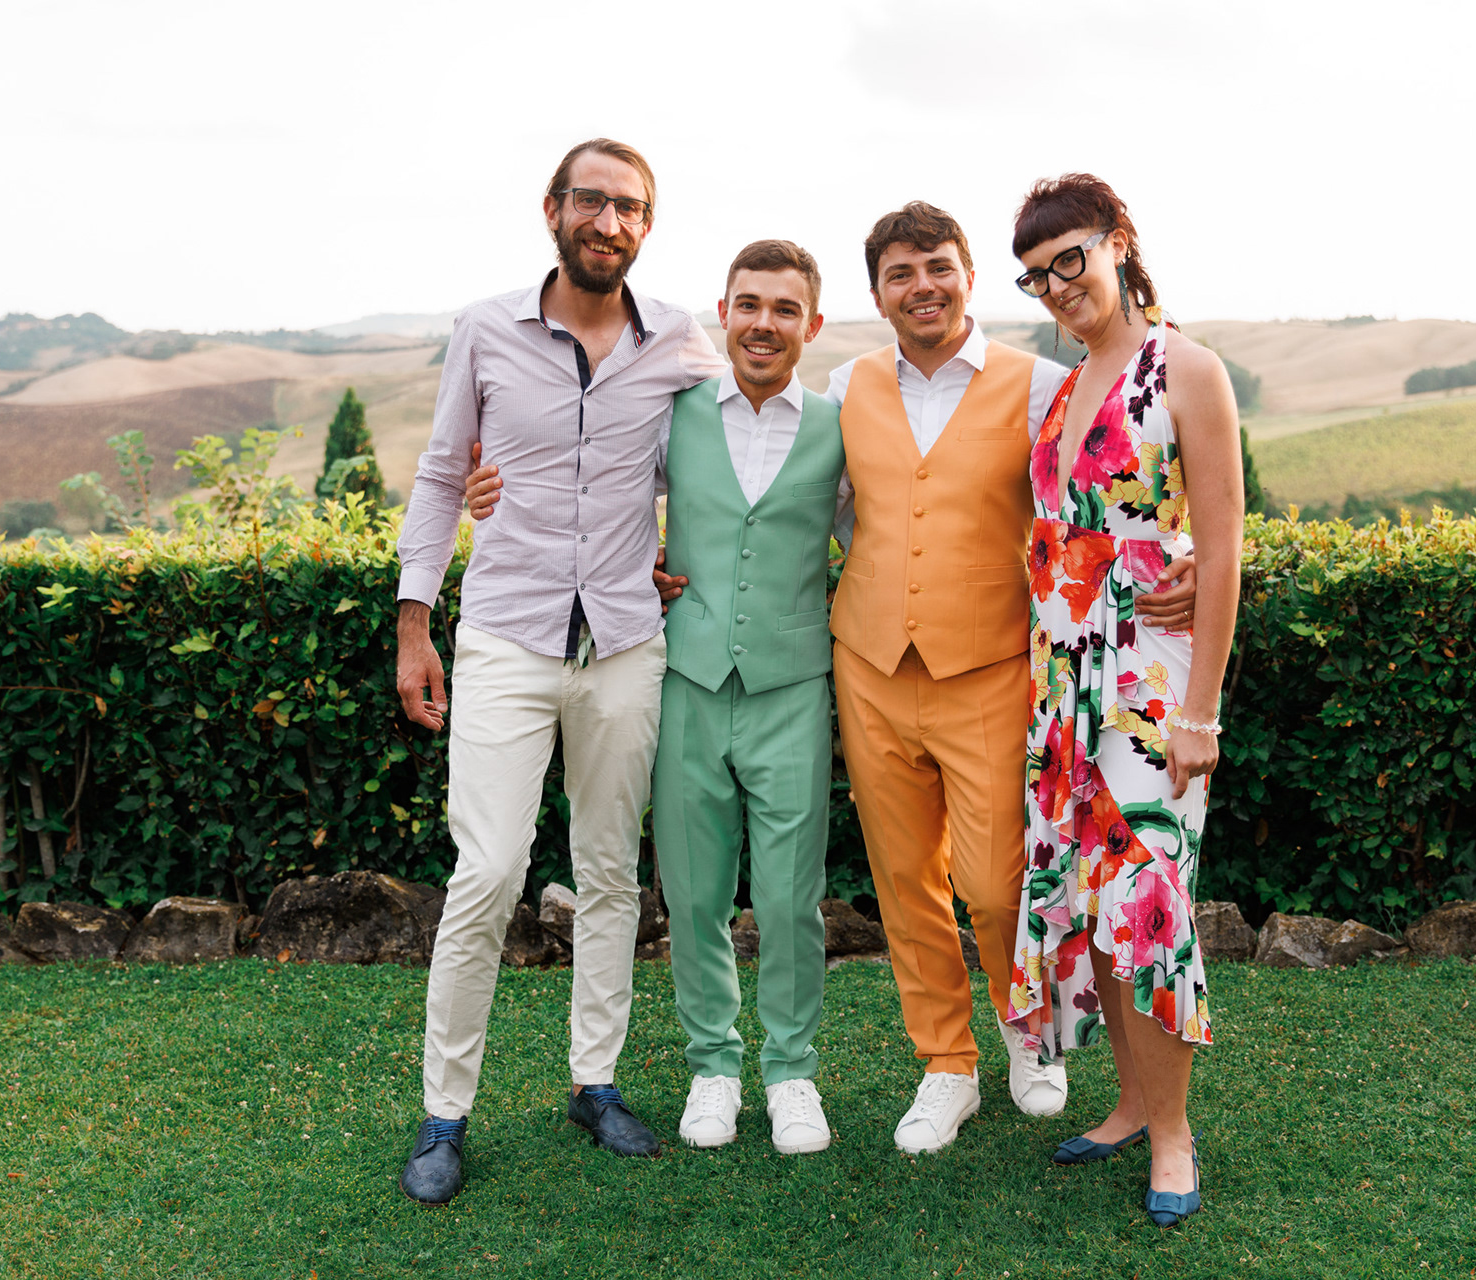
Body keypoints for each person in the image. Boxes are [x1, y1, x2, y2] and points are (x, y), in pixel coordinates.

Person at [822, 202, 1197, 1155]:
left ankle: (1027, 1034)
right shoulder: (843, 388)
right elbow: (798, 507)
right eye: (901, 274)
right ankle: (946, 1066)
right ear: (878, 294)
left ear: (969, 275)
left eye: (938, 267)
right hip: (869, 664)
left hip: (992, 666)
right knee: (905, 882)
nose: (922, 287)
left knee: (999, 886)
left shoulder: (1041, 386)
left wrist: (1187, 558)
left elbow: (1115, 488)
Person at [392, 137, 721, 1206]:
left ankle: (596, 1081)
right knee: (488, 872)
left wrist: (683, 554)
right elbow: (441, 474)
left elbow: (730, 453)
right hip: (505, 636)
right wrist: (413, 624)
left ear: (646, 225)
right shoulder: (485, 328)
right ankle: (445, 1112)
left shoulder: (678, 338)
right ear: (553, 209)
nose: (608, 222)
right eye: (592, 201)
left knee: (611, 871)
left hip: (623, 639)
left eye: (629, 207)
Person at [462, 242, 844, 1157]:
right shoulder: (676, 415)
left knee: (791, 897)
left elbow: (882, 536)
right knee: (696, 893)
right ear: (724, 312)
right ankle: (713, 1067)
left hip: (794, 685)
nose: (763, 323)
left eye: (785, 308)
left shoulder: (842, 428)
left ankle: (790, 1073)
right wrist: (491, 488)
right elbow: (592, 488)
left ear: (813, 324)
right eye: (748, 304)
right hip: (687, 679)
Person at [1002, 174, 1242, 1231]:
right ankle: (1132, 1103)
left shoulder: (1186, 368)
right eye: (1037, 274)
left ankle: (1174, 1131)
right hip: (1063, 681)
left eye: (1072, 258)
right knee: (1091, 894)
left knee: (1149, 893)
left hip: (1148, 683)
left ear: (1118, 243)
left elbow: (1222, 548)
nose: (1059, 284)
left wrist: (1201, 712)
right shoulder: (1063, 387)